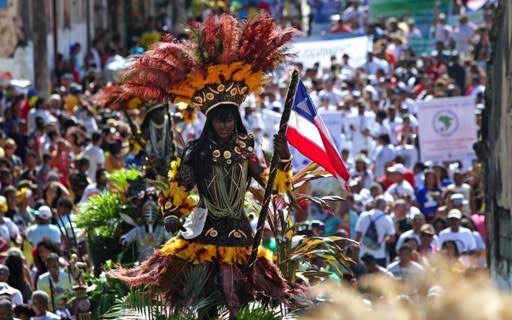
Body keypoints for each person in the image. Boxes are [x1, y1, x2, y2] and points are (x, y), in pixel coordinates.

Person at [109, 13, 299, 319]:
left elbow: (274, 186)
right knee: (195, 303)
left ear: (236, 119)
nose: (225, 124)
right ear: (210, 121)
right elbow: (178, 191)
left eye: (229, 118)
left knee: (250, 301)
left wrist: (284, 157)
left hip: (240, 234)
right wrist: (171, 215)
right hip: (201, 233)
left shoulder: (245, 151)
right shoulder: (196, 152)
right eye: (219, 118)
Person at [355, 196, 396, 266]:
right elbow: (392, 238)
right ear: (385, 206)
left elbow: (358, 235)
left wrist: (355, 252)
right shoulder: (387, 219)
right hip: (379, 255)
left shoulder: (363, 215)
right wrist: (383, 240)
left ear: (374, 205)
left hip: (363, 254)